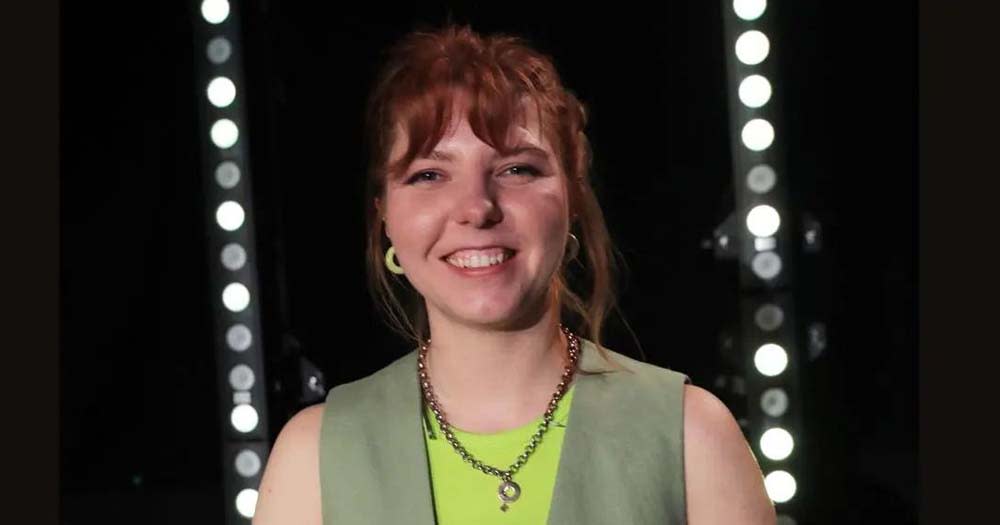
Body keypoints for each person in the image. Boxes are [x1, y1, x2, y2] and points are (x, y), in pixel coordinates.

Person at [253, 24, 775, 525]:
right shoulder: (316, 455)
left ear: (572, 200)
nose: (476, 208)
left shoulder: (690, 437)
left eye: (516, 169)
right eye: (429, 174)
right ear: (385, 217)